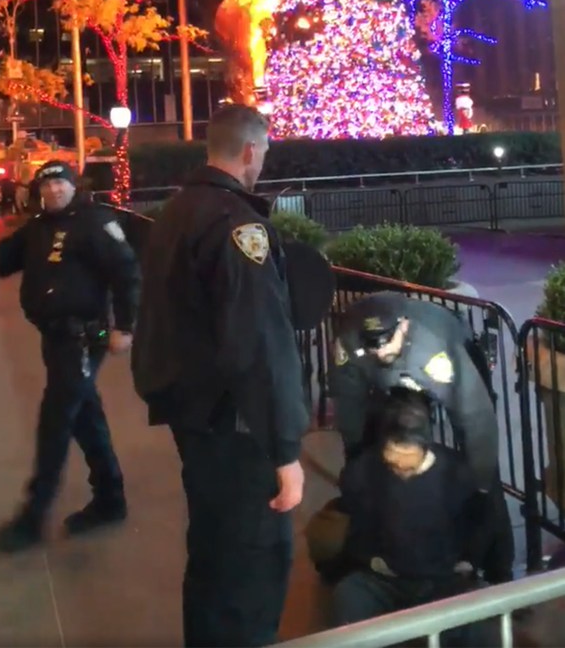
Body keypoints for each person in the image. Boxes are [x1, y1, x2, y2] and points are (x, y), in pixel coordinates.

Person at [132, 104, 310, 648]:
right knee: (248, 573)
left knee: (211, 559)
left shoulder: (178, 211)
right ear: (251, 151)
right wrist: (284, 449)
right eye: (266, 153)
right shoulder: (238, 226)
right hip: (235, 428)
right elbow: (258, 340)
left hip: (193, 417)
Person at [0, 160, 141, 553]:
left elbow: (126, 272)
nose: (53, 191)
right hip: (55, 340)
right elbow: (9, 251)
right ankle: (110, 498)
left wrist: (126, 327)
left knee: (56, 420)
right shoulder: (39, 227)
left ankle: (34, 516)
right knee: (85, 417)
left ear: (73, 186)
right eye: (47, 185)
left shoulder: (94, 223)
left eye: (60, 183)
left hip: (85, 337)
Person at [319, 291, 514, 584]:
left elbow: (477, 420)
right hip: (388, 384)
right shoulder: (351, 342)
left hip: (447, 357)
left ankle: (500, 573)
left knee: (484, 478)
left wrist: (481, 483)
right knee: (372, 460)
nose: (381, 351)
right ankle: (386, 554)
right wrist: (358, 467)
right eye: (373, 345)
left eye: (387, 342)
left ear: (403, 327)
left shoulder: (436, 349)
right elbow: (349, 405)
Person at [331, 391, 491, 646]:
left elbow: (478, 525)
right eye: (393, 463)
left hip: (441, 582)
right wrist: (369, 558)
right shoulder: (361, 472)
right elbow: (358, 529)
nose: (401, 472)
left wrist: (468, 560)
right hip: (385, 580)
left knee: (477, 613)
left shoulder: (457, 473)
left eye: (410, 465)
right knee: (348, 596)